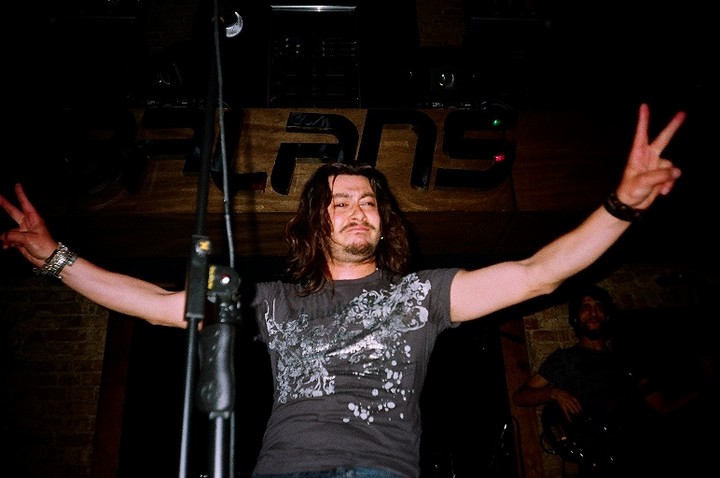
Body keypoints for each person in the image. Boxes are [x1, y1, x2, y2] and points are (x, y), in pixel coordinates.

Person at [0, 103, 685, 478]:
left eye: (369, 200)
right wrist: (55, 258)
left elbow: (539, 273)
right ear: (315, 222)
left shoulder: (422, 296)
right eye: (340, 201)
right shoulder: (272, 300)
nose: (359, 210)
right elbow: (158, 306)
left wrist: (620, 206)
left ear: (384, 219)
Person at [512, 284, 707, 477]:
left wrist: (703, 384)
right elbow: (520, 397)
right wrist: (554, 393)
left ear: (607, 316)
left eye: (599, 306)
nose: (593, 312)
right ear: (575, 319)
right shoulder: (565, 359)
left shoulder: (628, 360)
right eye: (585, 307)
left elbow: (663, 407)